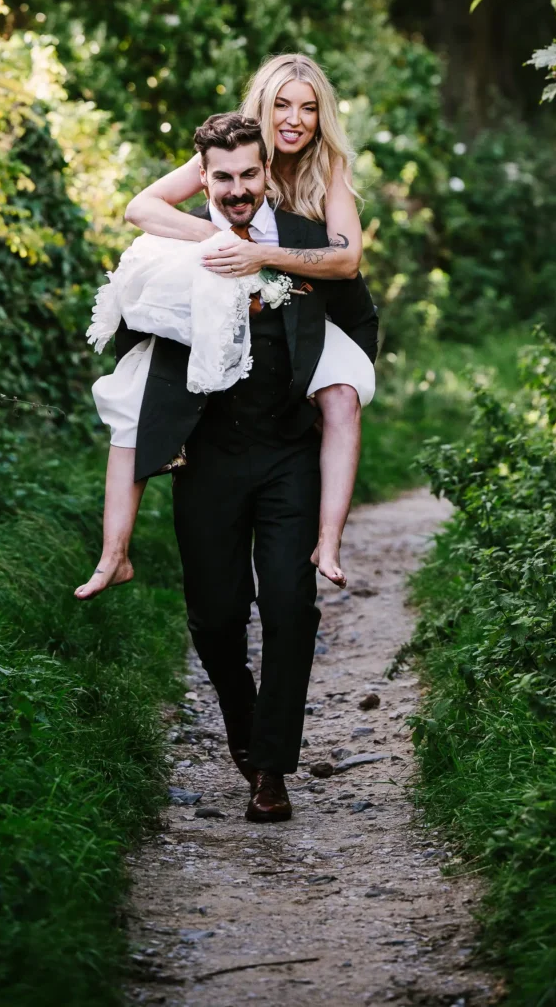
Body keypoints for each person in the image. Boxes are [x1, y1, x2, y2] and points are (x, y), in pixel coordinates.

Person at [93, 112, 378, 821]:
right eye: (224, 178)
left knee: (289, 606)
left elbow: (354, 301)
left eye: (251, 174)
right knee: (216, 617)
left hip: (288, 456)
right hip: (209, 462)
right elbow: (137, 378)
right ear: (205, 180)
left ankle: (272, 769)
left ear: (266, 173)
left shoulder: (303, 245)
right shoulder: (173, 252)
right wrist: (115, 541)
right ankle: (244, 731)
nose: (239, 188)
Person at [81, 53, 366, 598]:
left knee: (341, 397)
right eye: (282, 103)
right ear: (263, 105)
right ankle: (115, 552)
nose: (294, 119)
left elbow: (347, 259)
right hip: (227, 292)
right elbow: (142, 207)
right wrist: (218, 243)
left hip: (303, 309)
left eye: (308, 108)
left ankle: (328, 540)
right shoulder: (239, 148)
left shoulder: (329, 164)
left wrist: (264, 254)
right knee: (136, 397)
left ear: (321, 115)